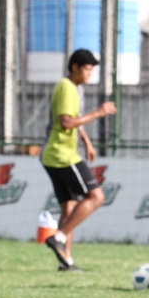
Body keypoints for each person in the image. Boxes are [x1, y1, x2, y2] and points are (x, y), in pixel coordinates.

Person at [41, 49, 116, 271]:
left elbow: (75, 120)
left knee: (69, 209)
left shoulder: (75, 88)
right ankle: (59, 237)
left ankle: (66, 262)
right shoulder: (66, 87)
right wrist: (98, 113)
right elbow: (66, 122)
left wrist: (87, 141)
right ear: (75, 67)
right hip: (63, 156)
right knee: (96, 197)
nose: (89, 74)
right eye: (87, 69)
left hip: (53, 156)